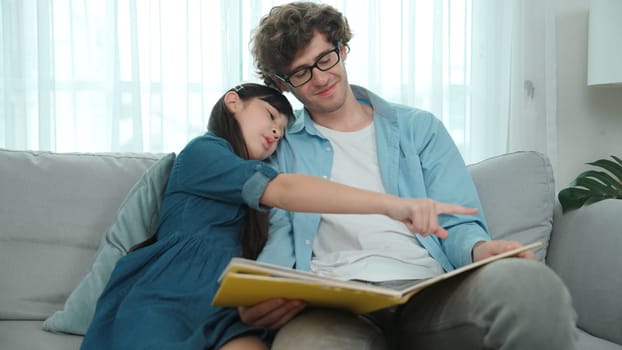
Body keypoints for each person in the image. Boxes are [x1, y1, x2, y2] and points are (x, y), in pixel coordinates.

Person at [242, 2, 580, 350]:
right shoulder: (279, 147)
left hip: (428, 292)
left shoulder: (419, 129)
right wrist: (263, 289)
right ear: (283, 85)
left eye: (325, 58)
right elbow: (280, 235)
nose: (320, 78)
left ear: (342, 49)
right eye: (301, 73)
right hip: (334, 303)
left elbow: (457, 225)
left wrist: (481, 249)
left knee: (530, 284)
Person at [80, 83, 478, 350]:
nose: (275, 133)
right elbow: (289, 190)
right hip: (171, 293)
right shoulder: (205, 152)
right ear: (233, 101)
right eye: (270, 116)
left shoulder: (263, 192)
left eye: (283, 129)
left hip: (226, 308)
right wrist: (393, 204)